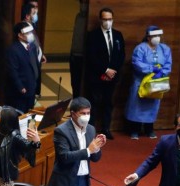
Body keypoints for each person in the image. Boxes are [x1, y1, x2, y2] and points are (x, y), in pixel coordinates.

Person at [46, 97, 107, 186]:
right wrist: (89, 150)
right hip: (65, 182)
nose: (86, 116)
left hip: (83, 182)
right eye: (83, 113)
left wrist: (97, 147)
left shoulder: (91, 129)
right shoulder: (61, 131)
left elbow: (95, 159)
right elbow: (64, 157)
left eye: (88, 113)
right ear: (73, 114)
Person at [125, 25, 172, 140]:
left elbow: (168, 63)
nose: (157, 38)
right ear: (148, 37)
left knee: (153, 105)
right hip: (141, 82)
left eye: (158, 35)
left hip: (157, 82)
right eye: (154, 36)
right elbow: (137, 63)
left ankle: (149, 129)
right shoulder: (140, 48)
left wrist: (162, 72)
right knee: (137, 106)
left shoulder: (165, 49)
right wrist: (151, 69)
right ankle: (134, 129)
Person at [86, 7, 125, 140]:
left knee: (108, 103)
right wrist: (105, 70)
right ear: (100, 20)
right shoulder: (93, 35)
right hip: (96, 76)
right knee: (94, 103)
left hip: (112, 77)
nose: (107, 22)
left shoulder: (118, 35)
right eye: (105, 19)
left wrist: (113, 71)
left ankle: (106, 129)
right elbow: (91, 56)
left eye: (109, 19)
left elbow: (121, 56)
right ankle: (91, 130)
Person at [5, 21, 39, 113]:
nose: (31, 35)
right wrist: (21, 87)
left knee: (29, 113)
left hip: (32, 88)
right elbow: (12, 71)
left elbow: (36, 66)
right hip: (20, 92)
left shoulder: (32, 47)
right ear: (20, 35)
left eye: (31, 32)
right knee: (20, 115)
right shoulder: (13, 50)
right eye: (27, 33)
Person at [20, 3, 46, 98]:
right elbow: (29, 47)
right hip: (29, 71)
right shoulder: (25, 29)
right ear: (27, 16)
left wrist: (41, 54)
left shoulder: (31, 27)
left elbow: (35, 45)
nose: (36, 16)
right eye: (34, 13)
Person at [69, 0, 89, 98]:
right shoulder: (78, 16)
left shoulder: (89, 18)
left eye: (84, 3)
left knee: (82, 83)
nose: (82, 5)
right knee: (74, 82)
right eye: (81, 2)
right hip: (74, 54)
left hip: (83, 56)